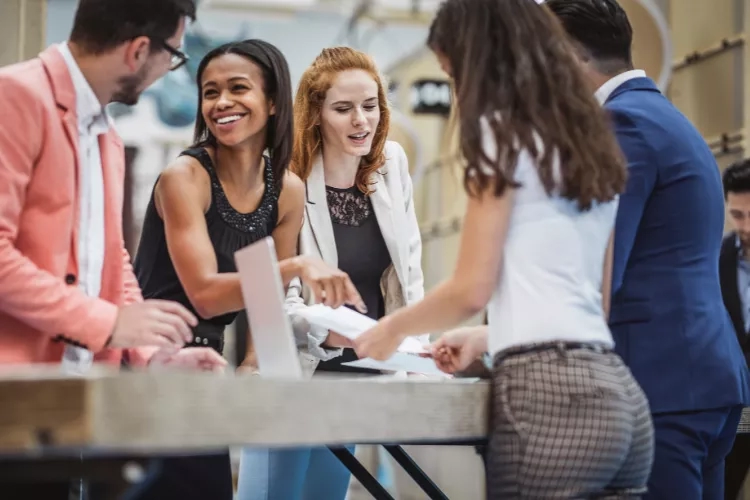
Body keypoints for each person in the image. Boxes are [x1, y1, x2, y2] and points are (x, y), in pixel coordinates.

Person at [353, 0, 655, 497]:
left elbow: (472, 289)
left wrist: (389, 330)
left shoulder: (500, 136)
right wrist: (490, 339)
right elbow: (591, 304)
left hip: (549, 402)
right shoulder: (595, 146)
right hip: (617, 395)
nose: (457, 93)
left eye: (454, 74)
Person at [0, 0, 228, 497]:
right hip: (12, 401)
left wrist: (150, 353)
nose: (169, 70)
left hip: (72, 402)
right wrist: (106, 325)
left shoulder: (105, 135)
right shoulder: (14, 96)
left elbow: (111, 260)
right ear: (139, 50)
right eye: (174, 55)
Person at [131, 39, 363, 499]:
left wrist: (255, 364)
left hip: (205, 365)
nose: (222, 103)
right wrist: (295, 265)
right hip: (146, 365)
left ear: (273, 101)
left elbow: (268, 301)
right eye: (210, 92)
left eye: (239, 88)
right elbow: (203, 293)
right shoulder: (185, 178)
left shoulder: (287, 191)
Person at [544, 1, 750, 498]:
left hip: (661, 384)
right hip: (699, 378)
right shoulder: (664, 117)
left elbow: (599, 269)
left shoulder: (621, 125)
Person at [237, 46, 425, 500]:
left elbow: (409, 271)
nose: (361, 120)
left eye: (370, 105)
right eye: (343, 109)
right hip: (299, 373)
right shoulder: (283, 179)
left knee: (325, 495)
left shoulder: (392, 166)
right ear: (316, 114)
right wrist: (331, 333)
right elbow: (274, 298)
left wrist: (416, 352)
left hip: (361, 376)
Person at [719, 159, 750, 499]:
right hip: (743, 406)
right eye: (738, 215)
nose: (747, 226)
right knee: (726, 485)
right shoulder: (717, 259)